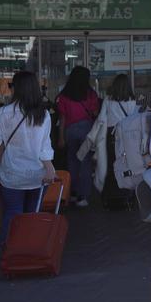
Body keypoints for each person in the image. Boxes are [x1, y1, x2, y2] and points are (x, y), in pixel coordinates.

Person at [0, 71, 56, 241]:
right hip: (38, 174)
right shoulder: (44, 114)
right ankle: (30, 249)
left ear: (16, 89)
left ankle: (10, 249)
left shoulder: (2, 113)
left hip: (12, 173)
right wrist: (50, 169)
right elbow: (45, 146)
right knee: (33, 214)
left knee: (12, 213)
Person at [55, 66, 100, 207]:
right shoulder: (90, 94)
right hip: (86, 130)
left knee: (72, 162)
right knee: (85, 163)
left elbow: (62, 118)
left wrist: (61, 137)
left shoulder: (64, 95)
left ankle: (72, 193)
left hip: (70, 131)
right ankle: (84, 196)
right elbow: (95, 113)